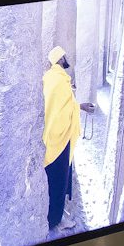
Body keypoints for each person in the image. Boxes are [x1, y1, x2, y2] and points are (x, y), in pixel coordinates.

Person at [42, 46, 80, 232]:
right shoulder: (60, 80)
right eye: (64, 56)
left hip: (51, 136)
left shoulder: (50, 77)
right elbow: (63, 110)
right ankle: (56, 221)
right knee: (59, 180)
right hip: (61, 137)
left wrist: (79, 106)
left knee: (53, 179)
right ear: (60, 59)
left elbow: (60, 106)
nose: (67, 58)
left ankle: (53, 215)